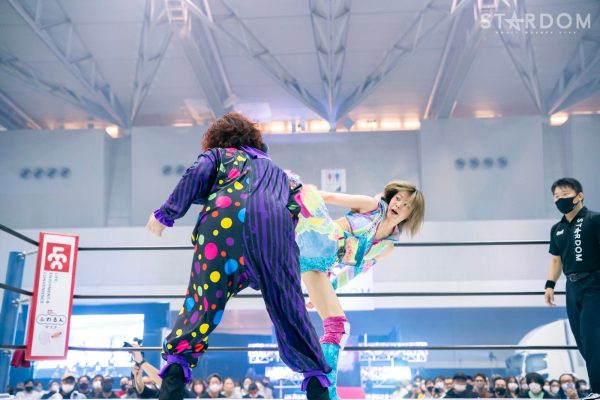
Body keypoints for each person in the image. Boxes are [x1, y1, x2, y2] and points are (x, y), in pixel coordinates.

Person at [146, 112, 332, 400]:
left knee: (201, 305)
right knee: (290, 312)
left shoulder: (220, 156)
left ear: (217, 139)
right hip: (273, 233)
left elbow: (198, 172)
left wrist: (166, 214)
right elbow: (295, 206)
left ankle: (172, 388)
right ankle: (318, 389)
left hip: (223, 229)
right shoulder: (281, 174)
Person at [293, 179, 425, 399]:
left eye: (406, 205)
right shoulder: (371, 206)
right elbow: (327, 197)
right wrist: (295, 198)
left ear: (411, 215)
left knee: (339, 328)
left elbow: (354, 270)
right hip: (315, 241)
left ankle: (325, 391)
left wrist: (326, 290)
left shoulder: (388, 246)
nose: (398, 205)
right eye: (398, 198)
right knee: (339, 327)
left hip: (317, 265)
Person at [545, 177, 600, 397]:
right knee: (582, 341)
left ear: (579, 196)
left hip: (595, 283)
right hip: (572, 286)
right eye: (556, 196)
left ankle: (598, 390)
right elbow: (555, 259)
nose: (560, 199)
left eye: (565, 195)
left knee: (591, 337)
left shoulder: (594, 219)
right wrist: (550, 285)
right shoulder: (557, 229)